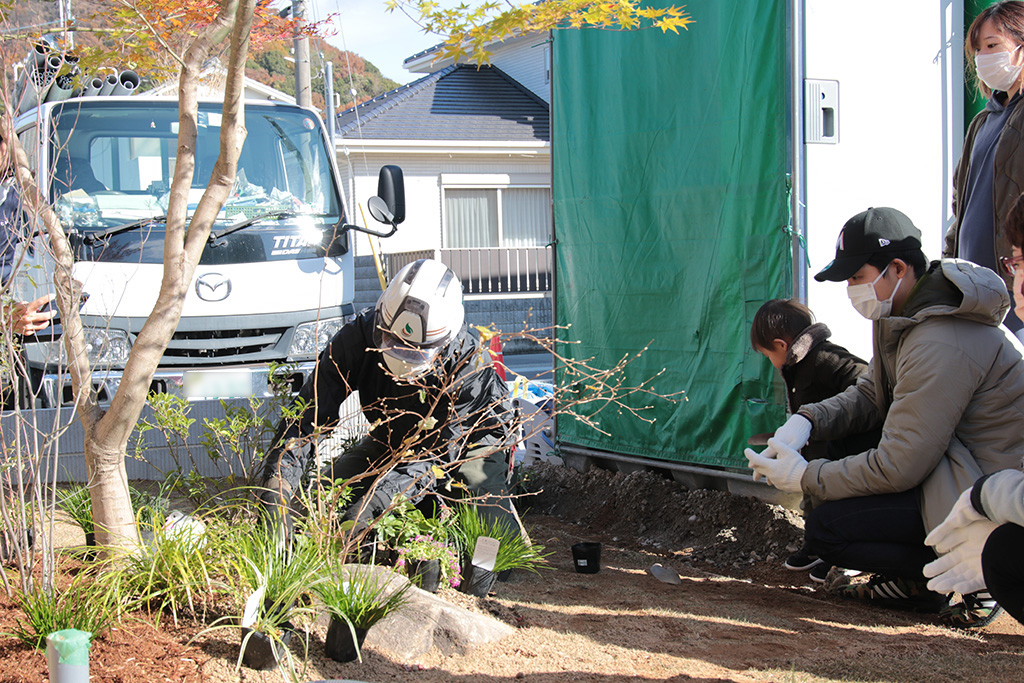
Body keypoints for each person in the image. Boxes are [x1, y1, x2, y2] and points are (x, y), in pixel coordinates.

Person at [745, 206, 1024, 628]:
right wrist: (809, 420)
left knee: (826, 530)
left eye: (857, 277)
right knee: (841, 442)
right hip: (947, 466)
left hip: (973, 484)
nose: (851, 290)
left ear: (896, 269)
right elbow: (872, 393)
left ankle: (959, 575)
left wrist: (806, 477)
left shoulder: (940, 339)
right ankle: (915, 578)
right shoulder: (903, 317)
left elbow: (900, 465)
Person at [259, 258, 517, 545]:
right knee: (326, 496)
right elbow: (308, 416)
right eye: (391, 342)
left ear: (442, 343)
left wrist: (375, 503)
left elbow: (437, 454)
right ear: (382, 319)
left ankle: (495, 522)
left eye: (414, 353)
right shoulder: (356, 339)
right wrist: (276, 486)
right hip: (395, 436)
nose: (402, 357)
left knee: (487, 541)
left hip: (469, 443)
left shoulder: (467, 366)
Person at [923, 191, 1024, 627]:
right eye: (1018, 263)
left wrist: (991, 495)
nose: (1021, 282)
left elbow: (909, 449)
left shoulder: (951, 342)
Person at [749, 299, 879, 582]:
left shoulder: (824, 358)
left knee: (840, 504)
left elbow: (868, 384)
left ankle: (841, 556)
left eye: (767, 354)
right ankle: (818, 546)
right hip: (817, 452)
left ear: (781, 345)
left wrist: (839, 420)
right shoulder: (797, 366)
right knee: (813, 499)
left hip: (844, 451)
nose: (769, 362)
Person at [945, 1, 1024, 340]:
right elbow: (960, 203)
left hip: (1014, 291)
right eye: (978, 50)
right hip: (974, 292)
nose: (983, 58)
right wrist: (947, 265)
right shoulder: (983, 121)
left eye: (993, 46)